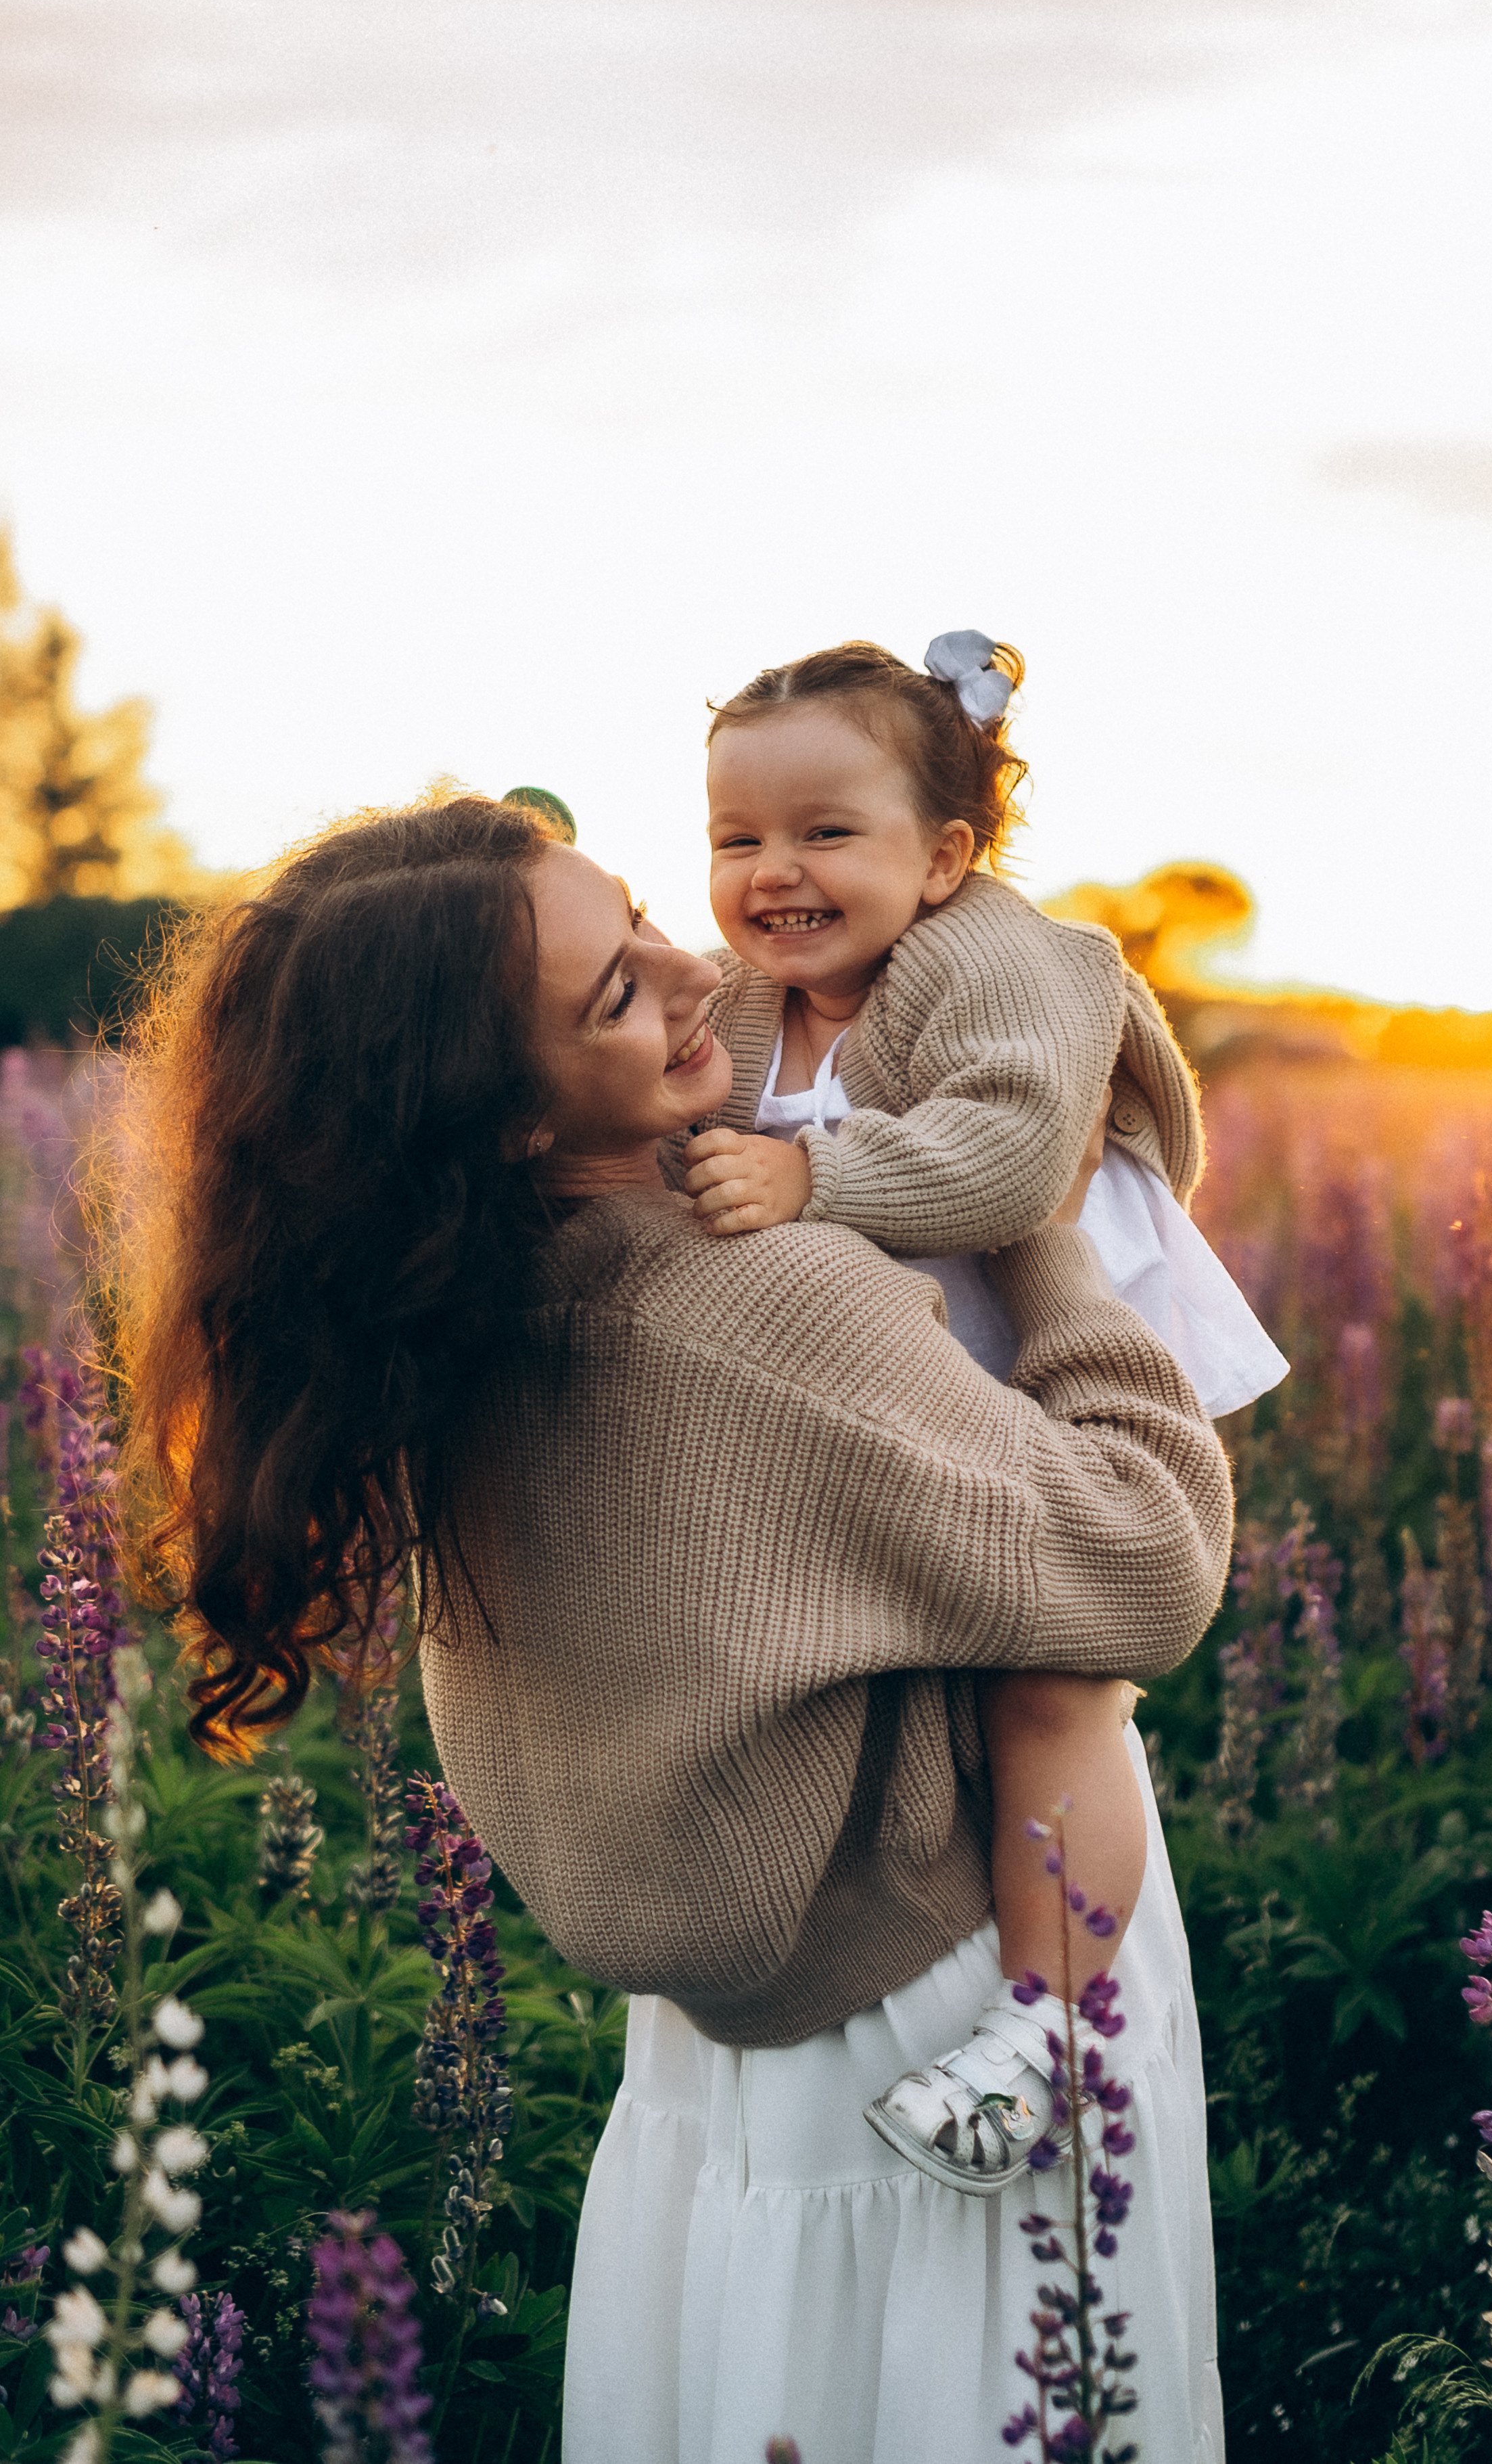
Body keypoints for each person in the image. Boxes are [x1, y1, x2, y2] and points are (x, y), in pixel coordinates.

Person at [116, 790, 1233, 2464]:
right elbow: (1146, 1562)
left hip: (724, 2072)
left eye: (641, 912)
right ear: (497, 1114)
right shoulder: (757, 1307)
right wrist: (1045, 1239)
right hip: (964, 2014)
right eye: (617, 994)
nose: (691, 970)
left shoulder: (467, 1304)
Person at [681, 633, 1285, 2195]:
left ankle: (1053, 2025)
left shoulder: (1004, 959)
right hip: (922, 1403)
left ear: (945, 856)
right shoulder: (762, 1001)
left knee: (1051, 1683)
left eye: (827, 833)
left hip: (1062, 1370)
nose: (775, 873)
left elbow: (1018, 1157)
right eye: (735, 839)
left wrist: (815, 1177)